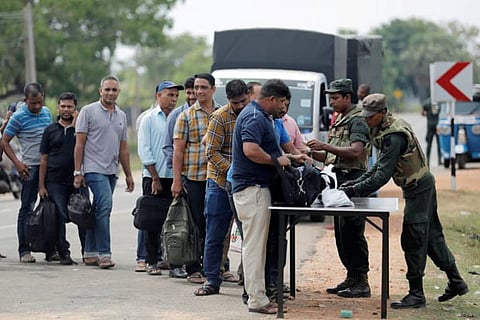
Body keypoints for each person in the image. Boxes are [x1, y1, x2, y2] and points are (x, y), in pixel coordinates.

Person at [339, 93, 469, 309]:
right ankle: (456, 282)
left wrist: (353, 190)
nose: (367, 120)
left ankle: (416, 294)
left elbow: (382, 176)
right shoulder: (384, 128)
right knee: (432, 237)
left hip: (419, 188)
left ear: (383, 113)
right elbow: (377, 167)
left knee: (414, 238)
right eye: (366, 116)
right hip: (418, 187)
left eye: (371, 116)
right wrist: (354, 185)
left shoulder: (393, 135)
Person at [231, 79, 293, 314]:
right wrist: (276, 160)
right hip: (252, 189)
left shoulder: (263, 116)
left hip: (257, 189)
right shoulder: (255, 117)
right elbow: (250, 150)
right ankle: (256, 300)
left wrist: (291, 157)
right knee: (254, 247)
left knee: (256, 246)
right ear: (271, 99)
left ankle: (258, 295)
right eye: (282, 103)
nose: (283, 108)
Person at [306, 78, 371, 298]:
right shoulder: (340, 118)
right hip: (338, 180)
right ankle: (351, 277)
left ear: (347, 97)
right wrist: (309, 153)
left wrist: (324, 144)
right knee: (342, 233)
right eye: (330, 98)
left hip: (354, 180)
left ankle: (362, 281)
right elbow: (332, 155)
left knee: (353, 231)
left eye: (335, 98)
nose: (331, 102)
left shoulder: (358, 120)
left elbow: (355, 151)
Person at [194, 79, 249, 296]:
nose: (240, 106)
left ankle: (250, 282)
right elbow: (211, 153)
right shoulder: (220, 118)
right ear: (228, 101)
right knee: (215, 233)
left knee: (249, 234)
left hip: (246, 184)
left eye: (243, 101)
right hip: (219, 182)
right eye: (236, 103)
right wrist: (234, 171)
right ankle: (212, 280)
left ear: (249, 96)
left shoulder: (255, 115)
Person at [74, 75, 134, 269]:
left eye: (114, 90)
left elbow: (123, 148)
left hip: (111, 170)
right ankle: (104, 254)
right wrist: (78, 171)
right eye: (107, 89)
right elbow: (79, 144)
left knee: (99, 209)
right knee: (105, 206)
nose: (110, 93)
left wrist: (128, 174)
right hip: (92, 168)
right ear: (100, 91)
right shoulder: (88, 111)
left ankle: (90, 252)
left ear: (118, 92)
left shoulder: (121, 116)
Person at [171, 73, 219, 283]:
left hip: (218, 178)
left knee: (216, 223)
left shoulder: (222, 113)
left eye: (203, 87)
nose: (199, 91)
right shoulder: (186, 116)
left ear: (213, 89)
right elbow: (178, 151)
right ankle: (194, 268)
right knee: (195, 224)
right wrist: (176, 180)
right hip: (194, 177)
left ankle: (215, 267)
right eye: (197, 88)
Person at [138, 80, 185, 276]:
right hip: (154, 177)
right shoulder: (148, 119)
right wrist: (155, 178)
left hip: (173, 177)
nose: (173, 99)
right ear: (158, 96)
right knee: (152, 221)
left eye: (175, 96)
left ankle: (173, 262)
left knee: (174, 221)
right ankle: (151, 260)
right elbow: (144, 150)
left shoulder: (180, 118)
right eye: (169, 95)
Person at [1, 82, 52, 263]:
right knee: (27, 208)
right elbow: (5, 141)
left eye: (39, 102)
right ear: (25, 100)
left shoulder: (47, 113)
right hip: (29, 168)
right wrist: (18, 163)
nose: (37, 107)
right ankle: (24, 250)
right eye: (33, 103)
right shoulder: (18, 117)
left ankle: (49, 249)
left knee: (48, 208)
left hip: (48, 167)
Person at [38, 92, 86, 264]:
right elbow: (43, 159)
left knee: (83, 214)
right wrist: (41, 186)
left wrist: (77, 124)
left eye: (70, 107)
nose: (66, 110)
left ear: (75, 109)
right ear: (58, 108)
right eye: (63, 106)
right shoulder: (50, 130)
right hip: (54, 181)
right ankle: (63, 252)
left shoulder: (81, 130)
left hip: (77, 180)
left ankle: (88, 252)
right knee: (59, 215)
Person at [160, 76, 195, 278]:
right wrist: (178, 175)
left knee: (199, 223)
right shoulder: (177, 116)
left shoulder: (212, 114)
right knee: (179, 223)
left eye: (193, 92)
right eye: (188, 93)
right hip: (182, 177)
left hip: (203, 178)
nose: (191, 96)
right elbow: (168, 148)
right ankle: (176, 264)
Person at [422, 97, 441, 166]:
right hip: (438, 125)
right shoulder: (439, 102)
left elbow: (423, 113)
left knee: (429, 144)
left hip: (430, 125)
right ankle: (440, 160)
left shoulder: (426, 102)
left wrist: (428, 114)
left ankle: (428, 160)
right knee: (439, 143)